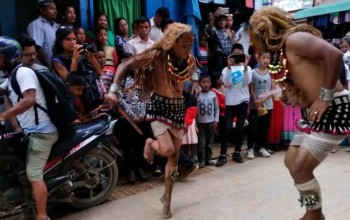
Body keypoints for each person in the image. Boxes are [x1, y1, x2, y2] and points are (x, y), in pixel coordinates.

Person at [250, 7, 346, 220]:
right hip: (313, 113)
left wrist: (325, 96)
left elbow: (335, 54)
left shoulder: (294, 39)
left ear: (264, 30)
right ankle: (314, 212)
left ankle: (314, 215)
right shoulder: (282, 51)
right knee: (292, 162)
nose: (253, 41)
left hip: (334, 108)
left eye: (254, 35)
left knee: (300, 167)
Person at [106, 23, 196, 219]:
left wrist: (195, 81)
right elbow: (125, 65)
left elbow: (193, 71)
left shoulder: (188, 59)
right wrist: (113, 90)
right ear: (172, 43)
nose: (188, 49)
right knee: (167, 150)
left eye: (191, 44)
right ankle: (151, 143)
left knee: (174, 160)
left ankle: (167, 199)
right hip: (158, 108)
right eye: (184, 45)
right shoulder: (156, 55)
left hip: (178, 109)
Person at [0, 36, 58, 220]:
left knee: (33, 173)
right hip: (30, 130)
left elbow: (29, 99)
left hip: (42, 132)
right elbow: (2, 89)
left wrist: (2, 116)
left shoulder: (22, 73)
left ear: (8, 56)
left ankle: (42, 216)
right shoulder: (12, 76)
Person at [220, 43, 251, 164]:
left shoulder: (247, 69)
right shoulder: (225, 69)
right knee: (227, 129)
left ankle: (237, 153)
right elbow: (226, 83)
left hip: (243, 101)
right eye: (235, 55)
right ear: (230, 56)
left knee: (240, 129)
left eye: (240, 55)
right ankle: (222, 155)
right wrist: (228, 67)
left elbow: (248, 81)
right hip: (230, 102)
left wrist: (244, 68)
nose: (237, 58)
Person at [247, 51, 274, 159]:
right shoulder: (253, 72)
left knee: (264, 127)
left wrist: (264, 100)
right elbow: (251, 89)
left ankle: (263, 147)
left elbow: (272, 89)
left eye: (268, 58)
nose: (266, 60)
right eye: (263, 58)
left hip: (267, 105)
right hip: (255, 106)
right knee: (253, 128)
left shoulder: (271, 73)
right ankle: (250, 148)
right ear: (258, 60)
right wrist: (256, 102)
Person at [27, 0, 59, 70]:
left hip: (56, 67)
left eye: (55, 9)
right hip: (42, 68)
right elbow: (37, 47)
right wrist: (48, 66)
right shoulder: (36, 24)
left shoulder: (56, 26)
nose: (55, 11)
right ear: (42, 10)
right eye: (51, 8)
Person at [196, 75, 219, 168]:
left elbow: (217, 109)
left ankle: (208, 159)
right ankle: (201, 160)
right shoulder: (197, 95)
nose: (206, 84)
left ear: (210, 83)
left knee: (209, 143)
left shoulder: (213, 95)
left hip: (210, 122)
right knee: (201, 143)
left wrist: (216, 121)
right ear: (199, 84)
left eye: (208, 82)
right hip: (200, 123)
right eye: (203, 82)